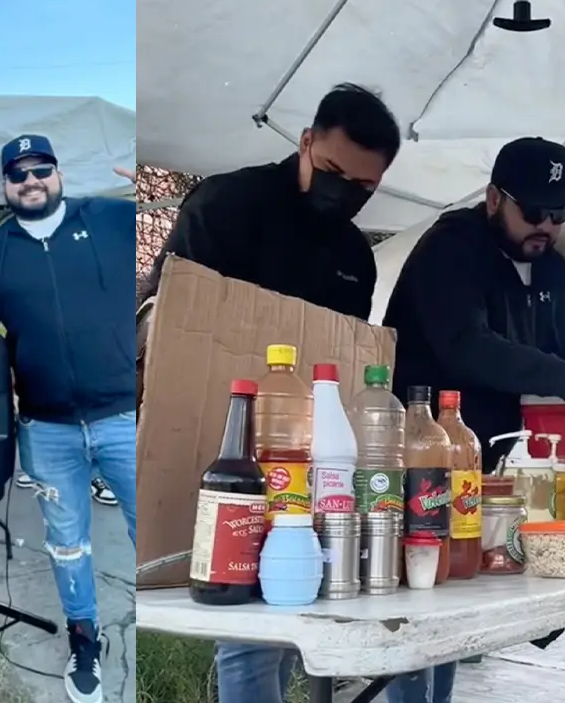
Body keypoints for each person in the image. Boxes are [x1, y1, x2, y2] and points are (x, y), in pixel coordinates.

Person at [145, 83, 402, 703]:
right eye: (335, 171)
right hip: (229, 441)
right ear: (307, 142)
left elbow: (343, 355)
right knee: (248, 620)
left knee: (300, 595)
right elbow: (174, 320)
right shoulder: (229, 203)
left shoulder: (353, 254)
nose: (346, 192)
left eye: (363, 188)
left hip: (312, 450)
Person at [381, 136, 565, 703]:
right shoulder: (451, 249)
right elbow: (467, 345)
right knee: (421, 601)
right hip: (424, 454)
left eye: (558, 213)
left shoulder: (552, 268)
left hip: (492, 461)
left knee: (461, 603)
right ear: (493, 198)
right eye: (533, 211)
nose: (547, 226)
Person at [0, 135, 136, 703]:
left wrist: (140, 191)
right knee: (67, 543)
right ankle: (85, 641)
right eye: (18, 174)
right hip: (47, 426)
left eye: (41, 170)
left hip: (122, 419)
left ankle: (170, 623)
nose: (31, 180)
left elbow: (181, 245)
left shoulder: (111, 218)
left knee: (152, 532)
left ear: (59, 175)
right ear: (6, 187)